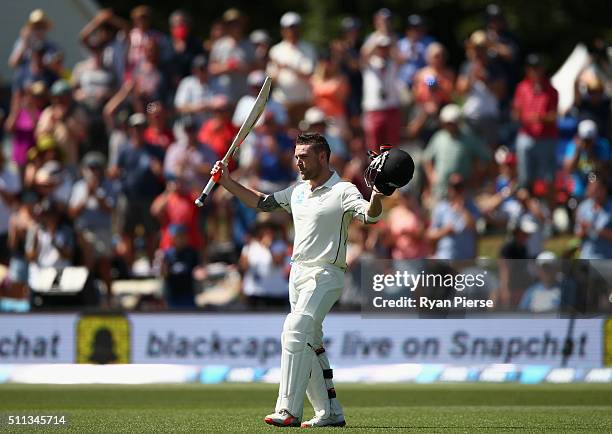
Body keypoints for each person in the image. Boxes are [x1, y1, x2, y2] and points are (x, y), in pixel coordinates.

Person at [210, 132, 385, 427]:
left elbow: (369, 216)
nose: (298, 162)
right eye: (296, 156)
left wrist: (378, 195)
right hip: (298, 273)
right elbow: (263, 203)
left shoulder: (343, 190)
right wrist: (226, 182)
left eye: (304, 156)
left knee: (294, 329)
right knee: (309, 341)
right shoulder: (298, 191)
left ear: (322, 156)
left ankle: (288, 410)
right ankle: (330, 412)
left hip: (326, 272)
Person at [512, 54, 559, 190]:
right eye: (532, 68)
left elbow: (555, 116)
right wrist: (519, 117)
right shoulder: (522, 88)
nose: (535, 71)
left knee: (548, 179)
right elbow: (516, 111)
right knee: (525, 178)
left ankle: (548, 209)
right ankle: (528, 205)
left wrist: (540, 118)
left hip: (546, 138)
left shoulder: (551, 91)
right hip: (527, 136)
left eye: (538, 68)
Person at [266, 12, 317, 126]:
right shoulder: (276, 50)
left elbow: (310, 75)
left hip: (303, 102)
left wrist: (287, 67)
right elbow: (271, 79)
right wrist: (278, 71)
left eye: (295, 28)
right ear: (283, 30)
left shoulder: (308, 49)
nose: (292, 31)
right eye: (289, 28)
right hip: (282, 102)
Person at [427, 173, 480, 260]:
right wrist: (444, 231)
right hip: (446, 258)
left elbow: (473, 226)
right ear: (449, 188)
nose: (458, 190)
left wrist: (462, 209)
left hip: (466, 260)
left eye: (460, 186)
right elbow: (430, 235)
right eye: (455, 187)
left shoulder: (471, 206)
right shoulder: (441, 208)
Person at [574, 175, 612, 259]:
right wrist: (583, 230)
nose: (595, 193)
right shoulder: (583, 207)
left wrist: (595, 229)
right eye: (592, 189)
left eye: (597, 189)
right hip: (588, 257)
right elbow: (578, 236)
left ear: (604, 189)